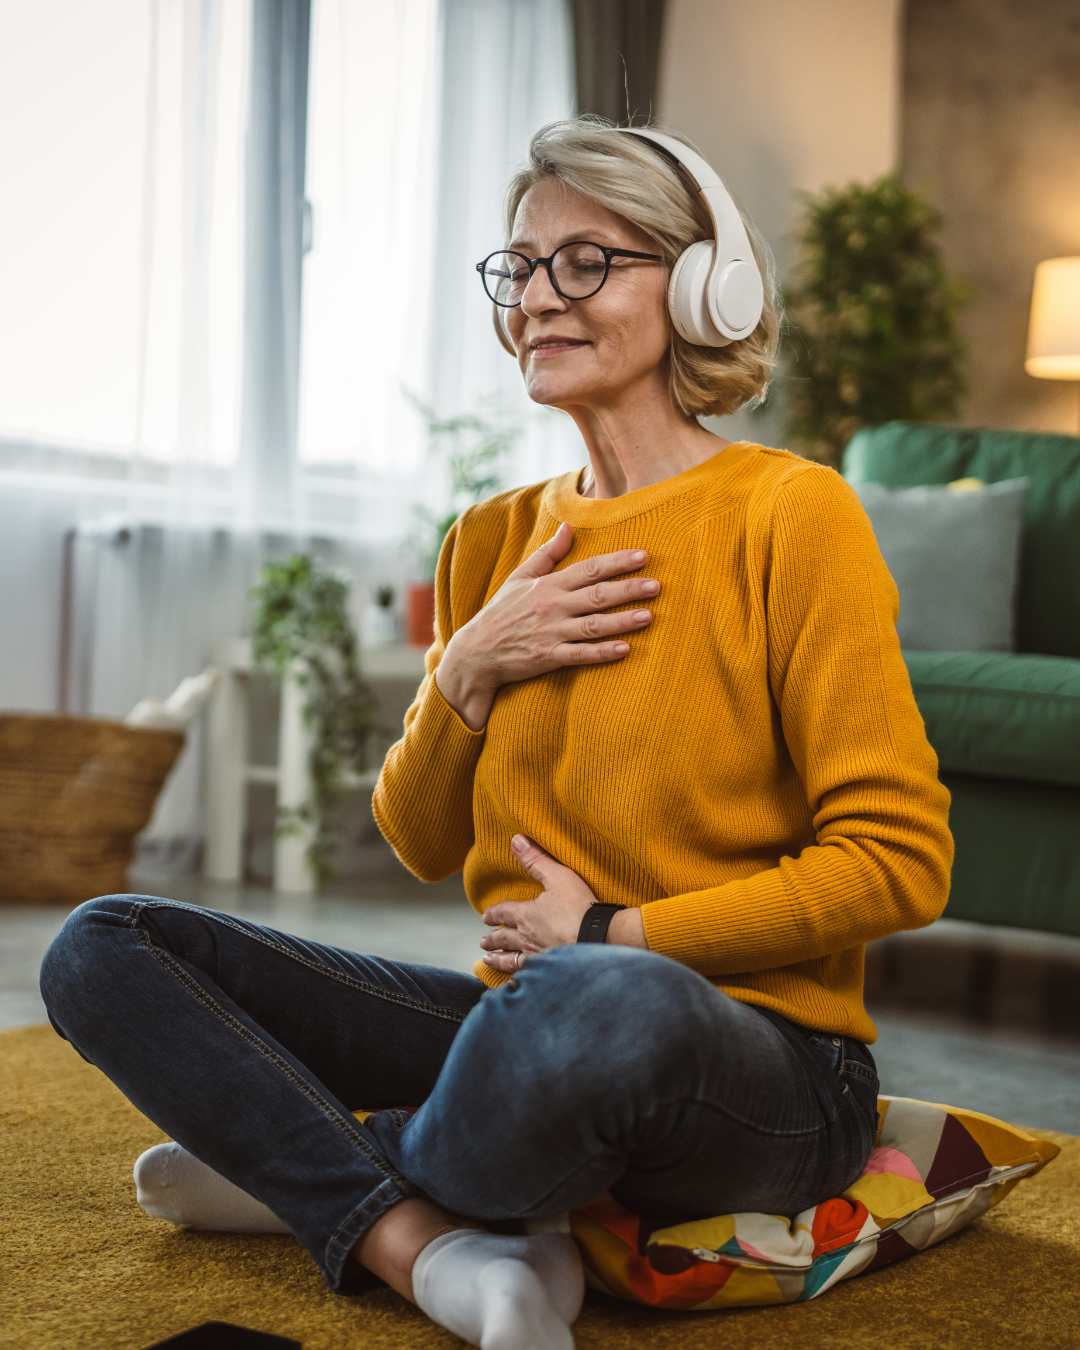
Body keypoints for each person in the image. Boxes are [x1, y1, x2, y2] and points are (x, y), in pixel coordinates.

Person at [40, 120, 952, 1350]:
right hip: (515, 1028)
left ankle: (315, 1172)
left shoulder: (792, 515)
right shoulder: (490, 540)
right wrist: (466, 668)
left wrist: (613, 933)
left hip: (759, 1065)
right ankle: (426, 1241)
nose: (536, 297)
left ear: (699, 288)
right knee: (104, 944)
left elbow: (901, 863)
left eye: (585, 263)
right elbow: (418, 841)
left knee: (606, 998)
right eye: (520, 267)